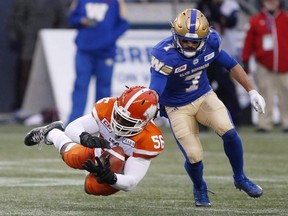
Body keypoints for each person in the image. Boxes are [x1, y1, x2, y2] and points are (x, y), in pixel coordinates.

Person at [148, 8, 265, 207]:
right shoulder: (164, 55)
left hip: (203, 96)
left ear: (204, 38)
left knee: (229, 131)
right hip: (177, 107)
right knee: (194, 156)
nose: (189, 44)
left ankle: (240, 177)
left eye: (194, 41)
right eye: (184, 40)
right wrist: (150, 110)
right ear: (175, 35)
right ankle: (199, 187)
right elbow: (155, 91)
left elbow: (232, 64)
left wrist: (251, 91)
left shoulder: (211, 42)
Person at [24, 86, 164, 195]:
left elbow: (131, 182)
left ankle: (53, 133)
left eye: (127, 121)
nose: (119, 122)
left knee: (91, 187)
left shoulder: (149, 139)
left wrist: (111, 177)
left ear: (144, 122)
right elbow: (73, 127)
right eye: (118, 115)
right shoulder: (107, 108)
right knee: (71, 157)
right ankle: (52, 133)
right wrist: (84, 138)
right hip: (99, 150)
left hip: (117, 171)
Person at [67, 0, 129, 123]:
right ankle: (74, 121)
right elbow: (71, 18)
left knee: (104, 89)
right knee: (80, 85)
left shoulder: (117, 1)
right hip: (85, 50)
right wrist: (81, 21)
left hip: (105, 52)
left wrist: (109, 38)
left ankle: (102, 122)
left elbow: (123, 24)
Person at [6, 0, 68, 111]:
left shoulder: (56, 2)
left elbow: (62, 20)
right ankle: (22, 108)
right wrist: (27, 34)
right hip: (29, 43)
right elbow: (17, 19)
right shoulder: (25, 2)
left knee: (51, 77)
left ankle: (47, 109)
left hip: (50, 45)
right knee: (26, 75)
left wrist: (52, 36)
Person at [242, 0, 288, 133]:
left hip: (285, 65)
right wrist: (245, 60)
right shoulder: (255, 20)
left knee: (286, 94)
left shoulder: (285, 18)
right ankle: (264, 123)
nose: (271, 2)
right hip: (264, 65)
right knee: (264, 95)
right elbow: (248, 42)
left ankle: (287, 122)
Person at [197, 0, 242, 126]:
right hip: (206, 55)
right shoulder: (204, 6)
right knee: (202, 88)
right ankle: (201, 121)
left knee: (228, 88)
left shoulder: (231, 6)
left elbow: (229, 22)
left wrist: (212, 7)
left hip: (224, 53)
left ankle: (235, 118)